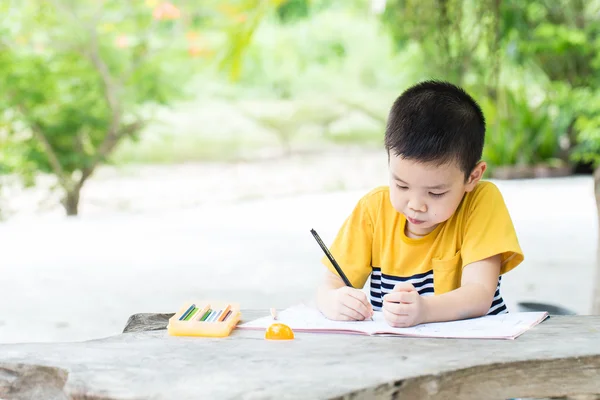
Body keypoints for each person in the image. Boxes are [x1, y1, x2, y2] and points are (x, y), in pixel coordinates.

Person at [315, 80, 524, 328]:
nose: (415, 205)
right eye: (401, 185)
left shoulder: (481, 201)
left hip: (477, 349)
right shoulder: (373, 210)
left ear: (472, 177)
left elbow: (479, 294)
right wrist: (334, 301)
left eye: (435, 193)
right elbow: (329, 286)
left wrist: (424, 309)